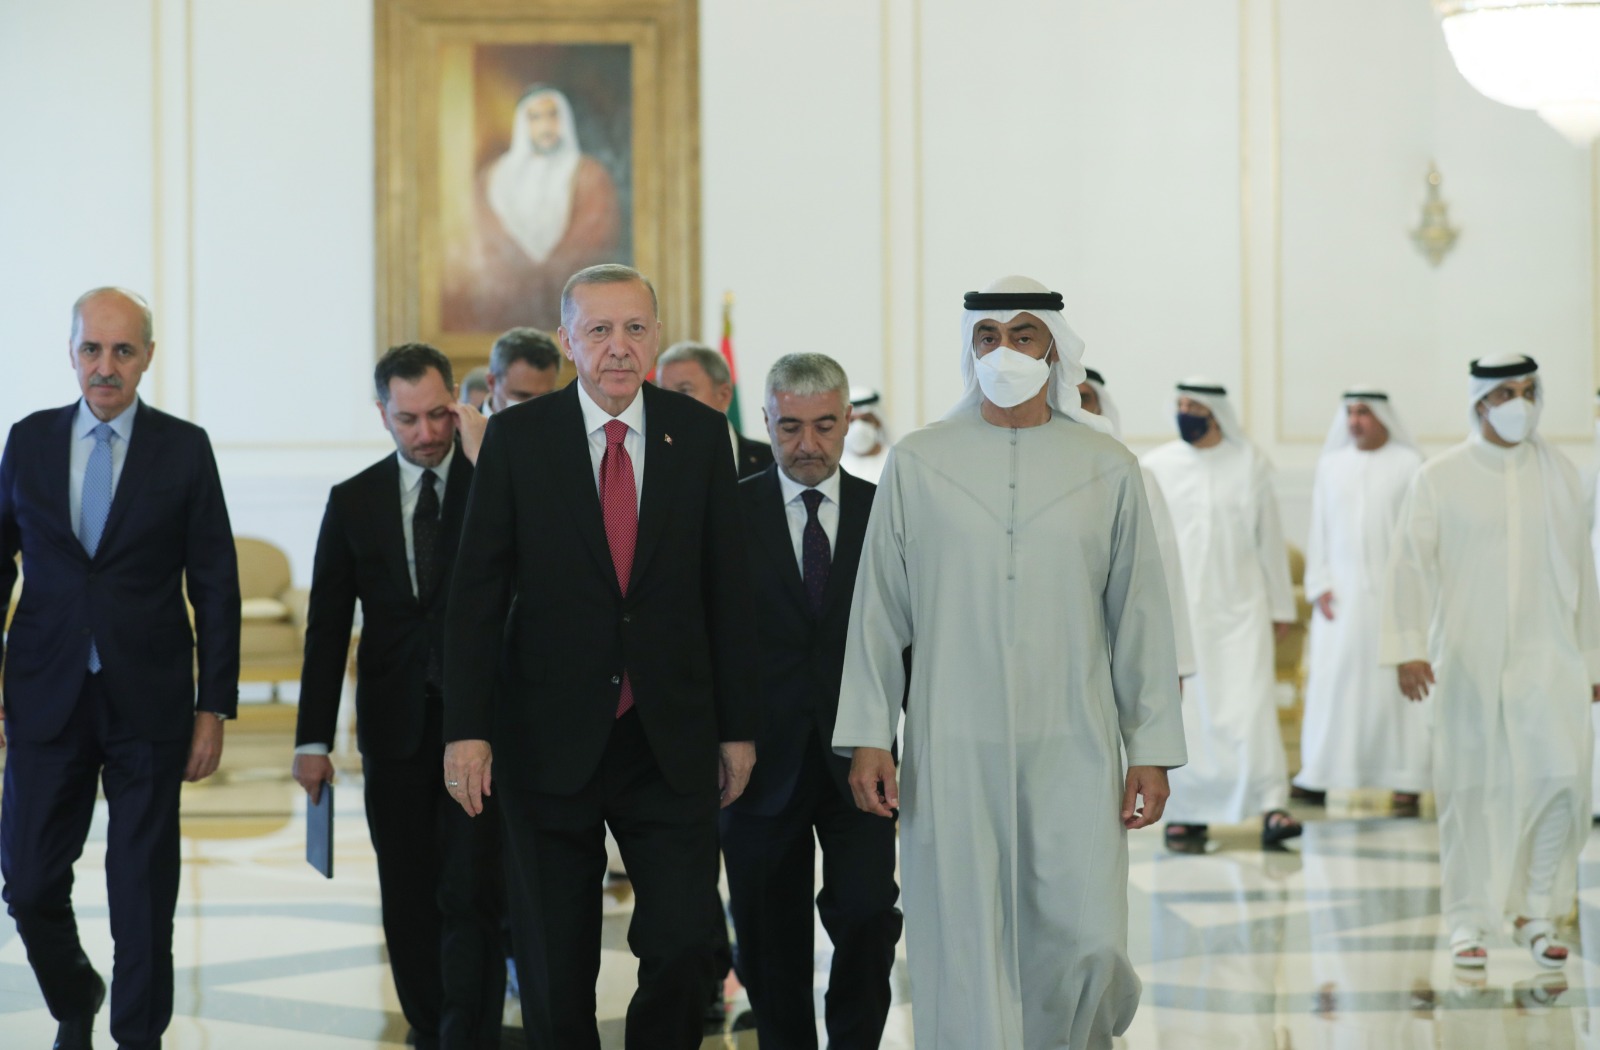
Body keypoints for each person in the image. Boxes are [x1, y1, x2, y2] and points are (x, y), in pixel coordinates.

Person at [833, 275, 1186, 1049]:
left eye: (1023, 335)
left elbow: (1140, 618)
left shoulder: (1107, 465)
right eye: (988, 337)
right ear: (969, 349)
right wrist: (868, 735)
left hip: (1076, 740)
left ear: (1055, 350)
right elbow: (879, 611)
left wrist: (1152, 748)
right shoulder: (919, 461)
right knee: (964, 930)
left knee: (1089, 935)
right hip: (952, 742)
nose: (1005, 351)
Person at [441, 264, 759, 1048]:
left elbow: (728, 591)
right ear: (567, 340)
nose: (619, 347)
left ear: (656, 335)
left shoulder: (700, 436)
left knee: (686, 942)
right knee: (554, 957)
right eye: (600, 330)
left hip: (669, 734)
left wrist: (738, 728)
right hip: (546, 734)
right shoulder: (518, 439)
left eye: (635, 329)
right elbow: (477, 595)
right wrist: (466, 729)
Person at [0, 287, 240, 1050]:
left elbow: (216, 583)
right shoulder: (28, 440)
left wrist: (214, 707)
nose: (105, 366)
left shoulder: (185, 448)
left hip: (150, 700)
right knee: (28, 883)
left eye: (122, 351)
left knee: (142, 895)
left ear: (147, 358)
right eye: (92, 349)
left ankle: (139, 1038)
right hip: (45, 695)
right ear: (72, 353)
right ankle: (76, 994)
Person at [291, 345, 503, 1050]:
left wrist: (488, 455)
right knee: (408, 889)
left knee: (471, 888)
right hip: (394, 728)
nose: (427, 433)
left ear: (459, 404)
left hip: (481, 724)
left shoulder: (492, 482)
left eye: (439, 414)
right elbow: (327, 628)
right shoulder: (354, 500)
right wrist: (312, 741)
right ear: (382, 413)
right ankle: (428, 1023)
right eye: (408, 419)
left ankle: (466, 1031)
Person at [1382, 354, 1600, 970]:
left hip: (1550, 658)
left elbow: (1583, 572)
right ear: (1480, 401)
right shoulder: (1440, 476)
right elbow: (1408, 566)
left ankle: (1535, 911)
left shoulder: (1561, 473)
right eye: (1506, 392)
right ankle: (1468, 919)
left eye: (1529, 390)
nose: (1520, 403)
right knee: (1471, 794)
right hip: (1468, 661)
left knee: (1561, 780)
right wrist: (1407, 648)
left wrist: (1592, 660)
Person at [722, 353, 902, 1049]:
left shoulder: (885, 513)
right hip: (755, 763)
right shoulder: (725, 512)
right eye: (789, 427)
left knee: (867, 914)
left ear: (848, 420)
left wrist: (897, 735)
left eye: (824, 425)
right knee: (769, 940)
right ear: (766, 421)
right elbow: (703, 637)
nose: (807, 444)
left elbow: (910, 636)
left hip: (861, 757)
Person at [1142, 379, 1301, 852]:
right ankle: (1186, 816)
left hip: (1241, 611)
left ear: (1215, 414)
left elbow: (1269, 539)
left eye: (1194, 406)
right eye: (1179, 404)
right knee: (1189, 714)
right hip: (1181, 612)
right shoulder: (1157, 466)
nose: (1185, 412)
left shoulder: (1249, 463)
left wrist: (1280, 605)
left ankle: (1271, 805)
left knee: (1251, 707)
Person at [1294, 390, 1427, 814]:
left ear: (1383, 416)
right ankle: (1320, 774)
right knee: (1334, 685)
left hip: (1395, 597)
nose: (1355, 420)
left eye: (1364, 412)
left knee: (1395, 687)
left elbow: (1419, 535)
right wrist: (1318, 583)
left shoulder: (1410, 464)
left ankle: (1406, 780)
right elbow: (1318, 529)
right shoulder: (1331, 465)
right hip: (1341, 599)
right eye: (1350, 412)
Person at [444, 85, 623, 332]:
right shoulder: (492, 178)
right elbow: (485, 241)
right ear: (522, 124)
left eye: (553, 115)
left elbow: (594, 237)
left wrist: (547, 277)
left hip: (573, 305)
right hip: (506, 306)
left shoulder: (590, 176)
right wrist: (518, 274)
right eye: (535, 117)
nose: (546, 125)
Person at [1078, 367, 1196, 680]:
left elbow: (1163, 571)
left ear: (1101, 408)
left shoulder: (1138, 477)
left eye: (1084, 398)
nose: (1075, 406)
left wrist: (1176, 664)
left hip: (1122, 649)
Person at [656, 341, 773, 478]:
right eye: (663, 393)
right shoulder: (650, 460)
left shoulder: (771, 463)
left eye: (685, 390)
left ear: (723, 395)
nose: (671, 403)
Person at [455, 326, 565, 464]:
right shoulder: (458, 438)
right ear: (491, 382)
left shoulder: (566, 436)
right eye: (523, 395)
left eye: (545, 396)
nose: (536, 407)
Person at [840, 388, 891, 484]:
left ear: (878, 422)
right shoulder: (833, 464)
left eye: (865, 419)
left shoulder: (895, 461)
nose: (858, 427)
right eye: (851, 420)